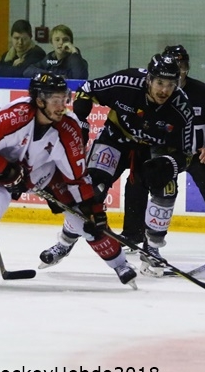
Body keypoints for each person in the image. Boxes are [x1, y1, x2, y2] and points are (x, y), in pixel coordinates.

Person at [0, 72, 137, 288]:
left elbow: (77, 177)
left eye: (64, 99)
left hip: (45, 174)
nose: (62, 106)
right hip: (3, 176)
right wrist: (6, 172)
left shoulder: (68, 127)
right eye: (55, 100)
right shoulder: (14, 116)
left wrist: (93, 207)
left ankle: (120, 264)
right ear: (39, 100)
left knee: (85, 218)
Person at [39, 54, 193, 276]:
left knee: (166, 188)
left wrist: (170, 164)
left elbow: (187, 154)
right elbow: (87, 88)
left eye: (170, 85)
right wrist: (81, 120)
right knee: (91, 190)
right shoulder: (126, 82)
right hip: (116, 138)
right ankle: (64, 243)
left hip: (153, 149)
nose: (164, 90)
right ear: (149, 79)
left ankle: (153, 252)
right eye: (160, 83)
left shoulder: (182, 108)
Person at [120, 45, 205, 257]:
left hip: (197, 156)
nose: (178, 71)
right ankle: (133, 236)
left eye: (181, 66)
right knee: (137, 182)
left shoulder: (203, 93)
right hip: (163, 154)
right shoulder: (152, 93)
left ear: (187, 68)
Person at [23, 24, 89, 80]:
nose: (61, 42)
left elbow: (80, 78)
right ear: (51, 42)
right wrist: (52, 76)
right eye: (57, 40)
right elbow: (28, 72)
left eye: (65, 40)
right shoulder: (49, 60)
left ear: (70, 43)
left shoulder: (79, 62)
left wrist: (74, 52)